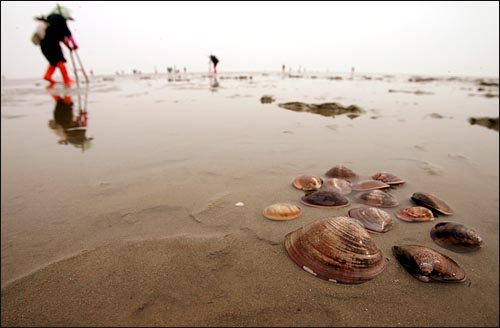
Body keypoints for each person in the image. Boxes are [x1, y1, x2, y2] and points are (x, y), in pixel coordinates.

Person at [38, 5, 78, 87]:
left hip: (43, 44)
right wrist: (74, 45)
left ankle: (47, 76)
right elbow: (68, 34)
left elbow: (61, 37)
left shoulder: (49, 19)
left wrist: (69, 47)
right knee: (60, 60)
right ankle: (66, 79)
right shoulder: (60, 19)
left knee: (54, 61)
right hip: (52, 43)